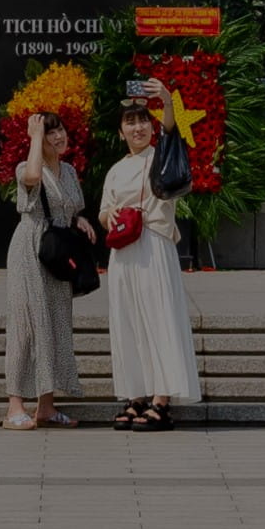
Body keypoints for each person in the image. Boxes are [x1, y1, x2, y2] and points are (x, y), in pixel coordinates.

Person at [99, 83, 201, 430]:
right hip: (123, 252)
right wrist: (109, 214)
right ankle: (135, 395)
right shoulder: (115, 169)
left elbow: (171, 130)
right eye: (130, 122)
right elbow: (102, 211)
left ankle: (161, 399)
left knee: (160, 319)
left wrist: (168, 99)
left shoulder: (163, 156)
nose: (138, 127)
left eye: (143, 121)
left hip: (154, 242)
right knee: (128, 322)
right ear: (121, 130)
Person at [4, 110, 91, 431]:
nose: (59, 137)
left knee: (55, 324)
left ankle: (46, 406)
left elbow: (69, 208)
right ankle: (14, 405)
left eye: (61, 130)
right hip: (30, 249)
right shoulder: (26, 166)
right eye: (51, 133)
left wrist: (78, 221)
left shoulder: (68, 170)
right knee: (26, 325)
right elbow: (31, 179)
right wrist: (35, 137)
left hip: (58, 252)